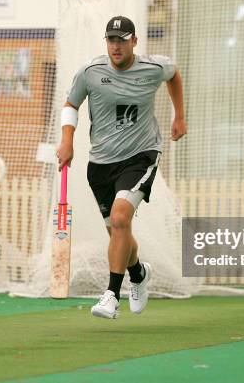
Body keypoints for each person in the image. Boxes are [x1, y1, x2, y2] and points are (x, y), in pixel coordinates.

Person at [56, 16, 186, 319]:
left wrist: (179, 115)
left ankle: (112, 295)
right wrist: (67, 141)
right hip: (101, 164)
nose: (116, 46)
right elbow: (70, 105)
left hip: (141, 155)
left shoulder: (153, 68)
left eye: (122, 40)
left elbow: (174, 75)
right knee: (118, 230)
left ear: (134, 42)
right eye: (111, 40)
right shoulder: (90, 72)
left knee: (119, 219)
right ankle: (138, 273)